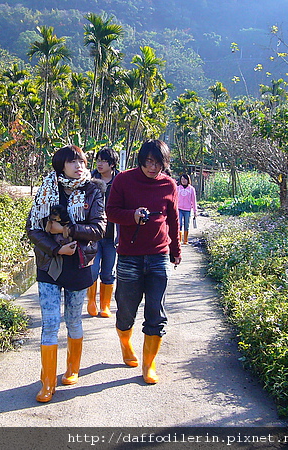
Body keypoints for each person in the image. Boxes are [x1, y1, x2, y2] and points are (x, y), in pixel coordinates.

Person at [26, 144, 106, 402]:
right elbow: (33, 229)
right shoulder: (47, 189)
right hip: (50, 264)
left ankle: (72, 368)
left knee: (73, 319)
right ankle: (47, 382)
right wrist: (56, 250)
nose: (79, 165)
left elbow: (99, 229)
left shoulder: (93, 190)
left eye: (81, 161)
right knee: (50, 323)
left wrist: (66, 232)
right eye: (72, 162)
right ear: (61, 165)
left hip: (80, 263)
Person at [106, 139, 181, 384]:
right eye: (149, 162)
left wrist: (175, 250)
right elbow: (111, 212)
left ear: (164, 164)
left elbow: (173, 220)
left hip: (159, 257)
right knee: (126, 310)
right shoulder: (124, 180)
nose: (153, 167)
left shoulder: (169, 184)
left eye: (158, 163)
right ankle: (126, 343)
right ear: (141, 160)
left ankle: (149, 365)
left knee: (156, 313)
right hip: (129, 257)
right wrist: (133, 216)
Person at [87, 147, 120, 318]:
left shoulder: (120, 181)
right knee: (92, 269)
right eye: (98, 160)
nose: (99, 163)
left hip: (112, 235)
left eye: (103, 161)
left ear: (112, 164)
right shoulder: (90, 180)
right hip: (93, 234)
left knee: (108, 272)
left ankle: (105, 305)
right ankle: (91, 301)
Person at [177, 173, 197, 245]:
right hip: (179, 209)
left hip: (187, 209)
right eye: (182, 179)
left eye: (185, 179)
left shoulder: (191, 189)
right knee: (179, 224)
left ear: (188, 180)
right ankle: (179, 240)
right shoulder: (178, 188)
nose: (183, 181)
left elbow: (194, 200)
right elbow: (174, 199)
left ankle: (185, 240)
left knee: (186, 224)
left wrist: (195, 211)